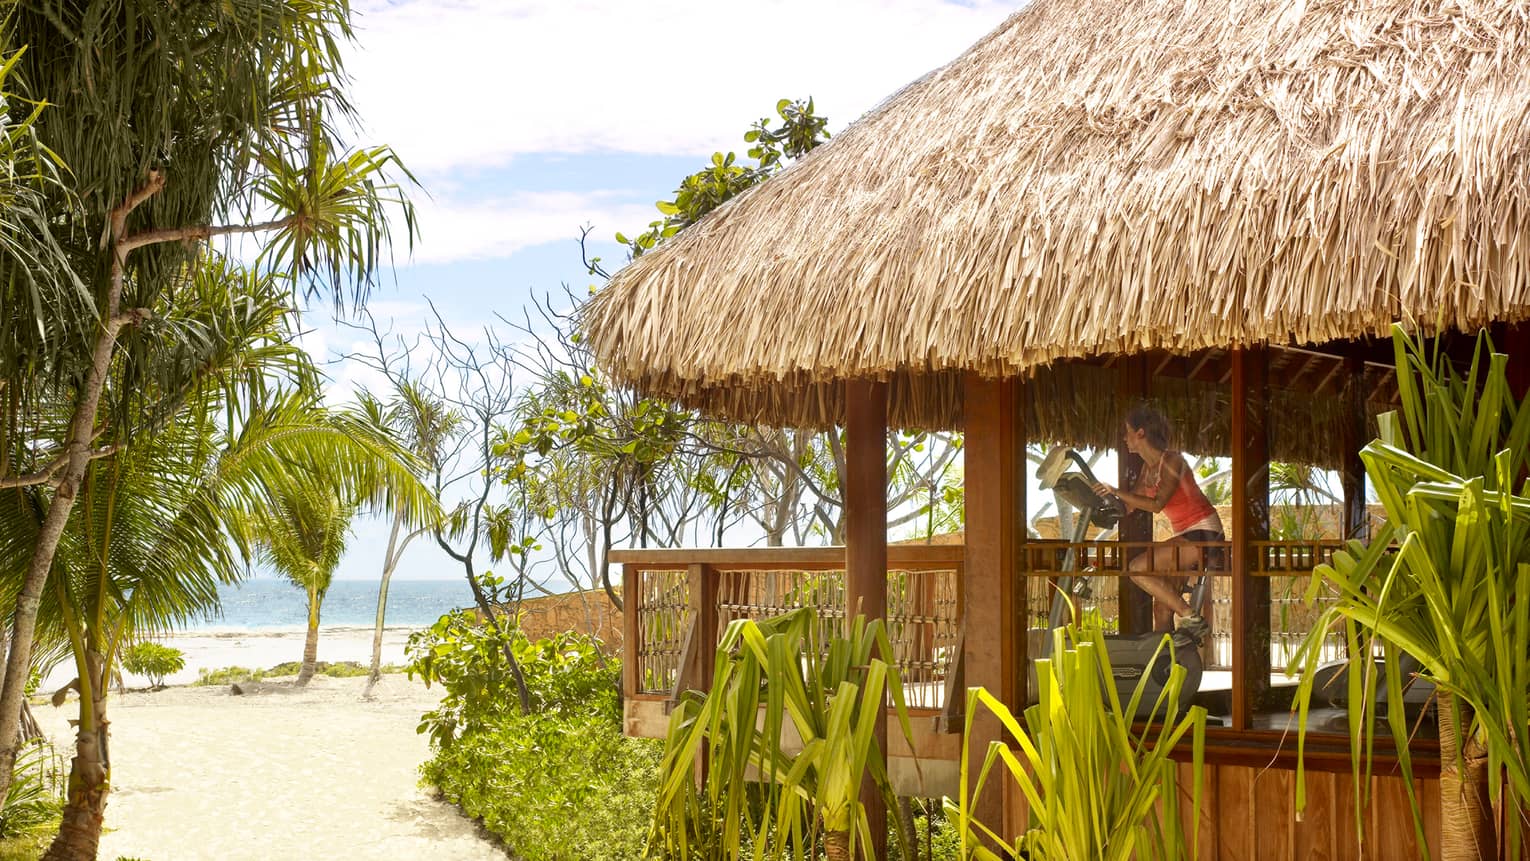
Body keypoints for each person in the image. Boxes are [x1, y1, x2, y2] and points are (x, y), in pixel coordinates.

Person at [1090, 404, 1222, 642]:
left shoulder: (1173, 461)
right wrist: (1101, 500)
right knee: (1161, 609)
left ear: (1140, 433)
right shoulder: (1146, 469)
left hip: (1205, 533)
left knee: (1137, 568)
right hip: (1186, 535)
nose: (1124, 437)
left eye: (1127, 431)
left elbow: (1157, 504)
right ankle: (1165, 668)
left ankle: (1190, 617)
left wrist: (1117, 491)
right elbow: (1130, 506)